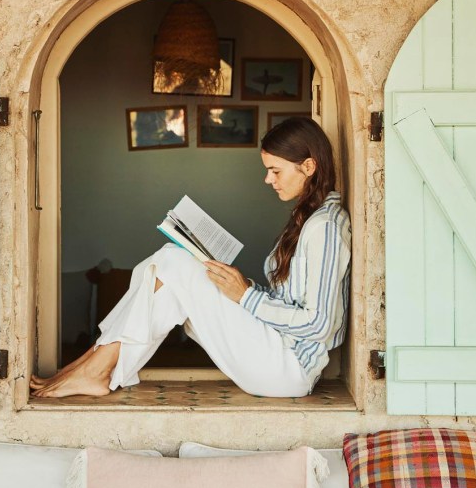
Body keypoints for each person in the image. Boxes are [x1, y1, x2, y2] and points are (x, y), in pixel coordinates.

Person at [30, 116, 351, 398]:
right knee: (171, 271)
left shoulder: (325, 228)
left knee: (175, 262)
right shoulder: (309, 220)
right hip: (276, 351)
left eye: (275, 170)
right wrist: (240, 286)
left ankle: (94, 367)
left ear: (308, 167)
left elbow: (321, 324)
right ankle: (92, 365)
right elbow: (290, 300)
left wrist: (245, 296)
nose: (268, 179)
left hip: (288, 368)